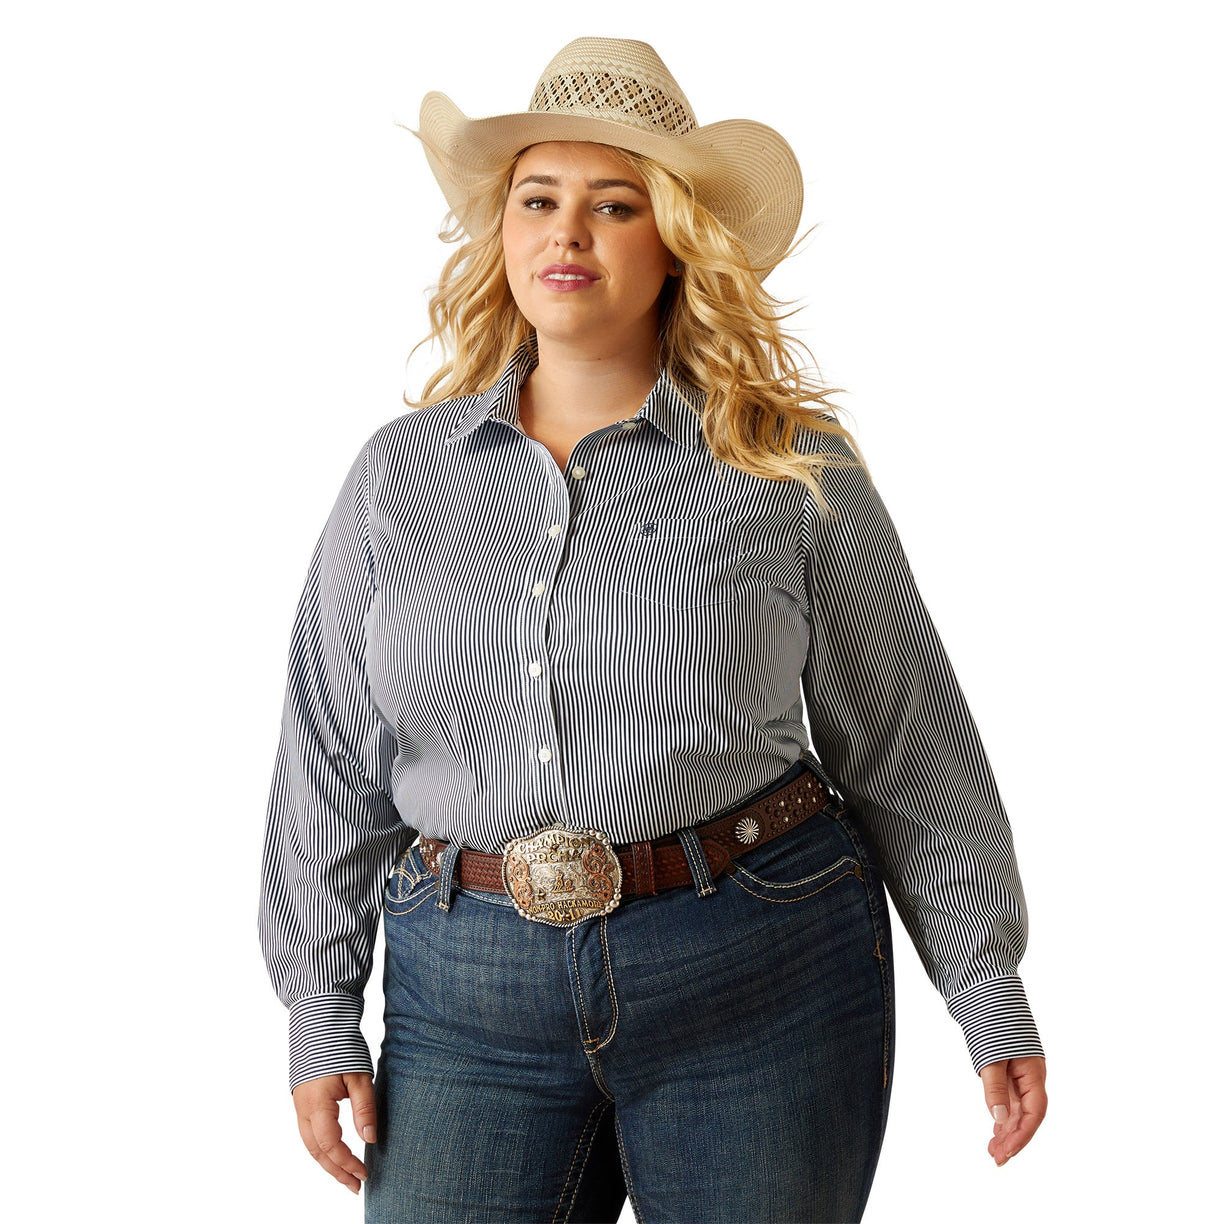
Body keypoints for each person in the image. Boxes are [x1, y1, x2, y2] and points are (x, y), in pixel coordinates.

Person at [258, 36, 1048, 1224]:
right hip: (463, 993)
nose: (567, 233)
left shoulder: (785, 466)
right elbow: (328, 753)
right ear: (504, 235)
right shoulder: (396, 478)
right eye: (540, 200)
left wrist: (984, 983)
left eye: (613, 205)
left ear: (674, 240)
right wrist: (320, 1004)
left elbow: (902, 730)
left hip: (761, 968)